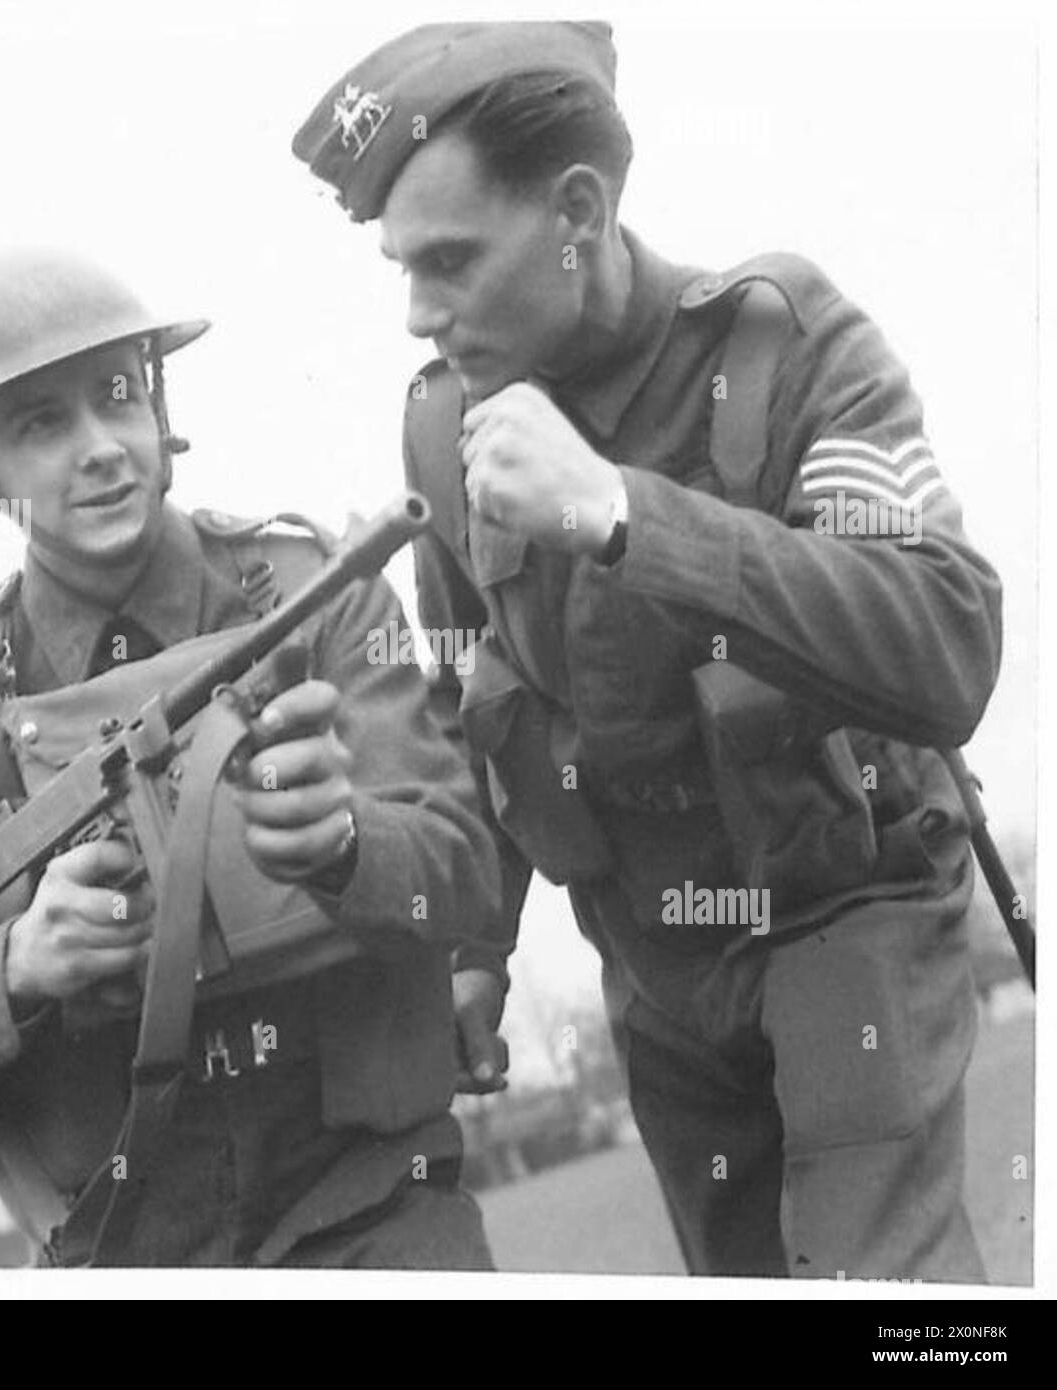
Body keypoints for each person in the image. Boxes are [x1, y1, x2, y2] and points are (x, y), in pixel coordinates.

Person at [292, 20, 1004, 1281]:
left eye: (450, 261)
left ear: (578, 209)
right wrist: (477, 956)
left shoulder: (787, 344)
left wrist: (624, 516)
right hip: (659, 965)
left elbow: (947, 636)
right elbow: (473, 698)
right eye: (402, 269)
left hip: (846, 908)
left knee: (881, 1297)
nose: (418, 312)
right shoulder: (445, 429)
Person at [0, 247, 500, 1269]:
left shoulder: (314, 598)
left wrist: (349, 843)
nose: (101, 447)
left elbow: (466, 876)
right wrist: (16, 966)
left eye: (116, 395)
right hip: (133, 1252)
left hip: (376, 1210)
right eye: (41, 423)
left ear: (159, 401)